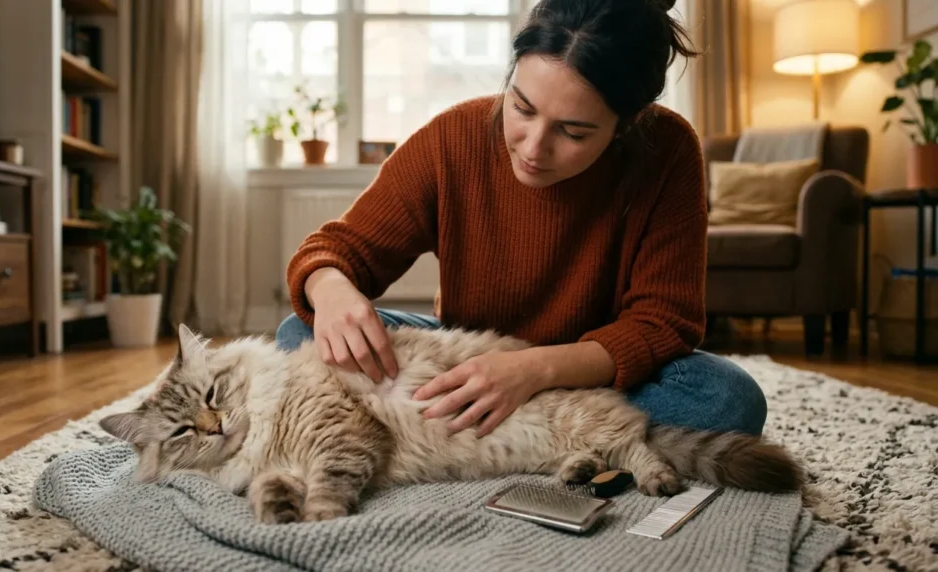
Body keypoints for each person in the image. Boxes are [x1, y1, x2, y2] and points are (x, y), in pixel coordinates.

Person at [276, 0, 767, 439]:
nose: (533, 148)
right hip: (471, 358)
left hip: (589, 369)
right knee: (298, 336)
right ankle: (547, 423)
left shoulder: (669, 151)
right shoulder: (453, 138)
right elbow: (337, 251)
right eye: (522, 107)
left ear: (627, 125)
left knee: (729, 400)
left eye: (573, 132)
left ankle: (505, 419)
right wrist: (332, 289)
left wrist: (531, 371)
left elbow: (664, 322)